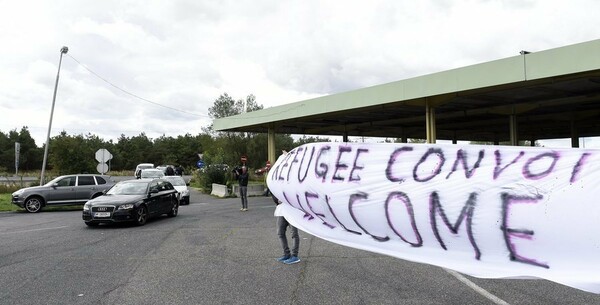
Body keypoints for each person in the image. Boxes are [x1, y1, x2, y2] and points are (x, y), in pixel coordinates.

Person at [274, 196, 300, 264]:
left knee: (294, 233)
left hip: (292, 211)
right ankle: (286, 254)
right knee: (280, 233)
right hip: (282, 211)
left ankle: (295, 256)